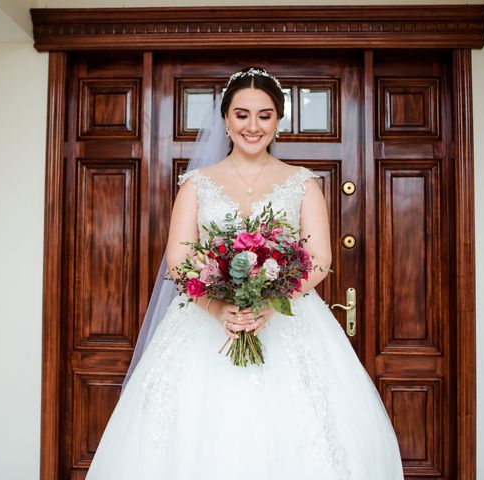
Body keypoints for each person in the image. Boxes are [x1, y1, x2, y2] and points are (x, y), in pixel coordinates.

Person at [85, 66, 404, 480]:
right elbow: (180, 261)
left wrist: (271, 303)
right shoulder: (197, 184)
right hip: (205, 325)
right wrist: (219, 310)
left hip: (288, 321)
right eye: (242, 114)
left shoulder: (302, 183)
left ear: (278, 120)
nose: (253, 126)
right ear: (225, 118)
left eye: (264, 115)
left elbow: (319, 258)